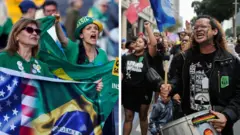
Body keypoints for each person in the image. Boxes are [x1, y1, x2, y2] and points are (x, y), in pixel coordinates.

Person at [161, 15, 240, 135]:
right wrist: (170, 87)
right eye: (195, 27)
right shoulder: (184, 58)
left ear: (214, 31)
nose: (198, 29)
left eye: (203, 26)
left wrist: (227, 115)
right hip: (191, 124)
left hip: (218, 124)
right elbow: (178, 80)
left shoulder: (230, 61)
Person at [122, 22, 157, 135]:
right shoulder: (126, 57)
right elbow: (121, 73)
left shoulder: (148, 56)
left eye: (140, 42)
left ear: (145, 46)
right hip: (128, 91)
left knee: (143, 117)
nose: (137, 43)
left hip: (144, 92)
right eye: (136, 41)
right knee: (128, 117)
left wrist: (148, 28)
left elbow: (154, 44)